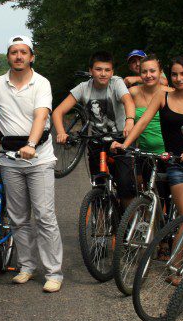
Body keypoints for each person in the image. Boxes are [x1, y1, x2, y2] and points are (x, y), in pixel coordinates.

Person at [0, 35, 64, 292]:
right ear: (8, 56)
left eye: (23, 52)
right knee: (18, 218)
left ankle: (53, 272)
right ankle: (26, 266)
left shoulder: (41, 83)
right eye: (14, 52)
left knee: (44, 216)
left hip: (39, 158)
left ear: (31, 57)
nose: (18, 56)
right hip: (10, 160)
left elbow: (41, 115)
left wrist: (31, 144)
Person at [113, 56, 183, 217]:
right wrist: (125, 144)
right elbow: (142, 122)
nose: (178, 78)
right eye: (174, 74)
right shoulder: (162, 96)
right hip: (174, 162)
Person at [53, 50, 136, 206]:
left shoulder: (116, 83)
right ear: (91, 71)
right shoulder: (83, 88)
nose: (103, 74)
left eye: (107, 70)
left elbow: (128, 102)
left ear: (112, 72)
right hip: (97, 141)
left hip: (120, 139)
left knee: (125, 186)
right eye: (98, 69)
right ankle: (102, 215)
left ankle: (127, 219)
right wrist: (61, 132)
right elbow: (58, 112)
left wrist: (130, 121)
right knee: (98, 186)